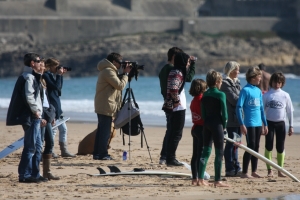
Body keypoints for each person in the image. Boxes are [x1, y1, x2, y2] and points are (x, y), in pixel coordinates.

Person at [6, 53, 48, 183]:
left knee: (38, 145)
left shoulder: (34, 77)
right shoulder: (28, 77)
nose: (41, 63)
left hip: (36, 116)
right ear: (32, 63)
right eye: (38, 61)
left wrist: (40, 113)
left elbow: (39, 98)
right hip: (31, 116)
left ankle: (35, 173)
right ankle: (24, 174)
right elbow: (29, 96)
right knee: (30, 147)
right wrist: (36, 111)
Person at [158, 47, 195, 165]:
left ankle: (168, 157)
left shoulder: (176, 71)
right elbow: (173, 88)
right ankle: (170, 158)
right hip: (177, 107)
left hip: (175, 106)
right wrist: (176, 101)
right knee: (176, 133)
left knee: (173, 132)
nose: (188, 63)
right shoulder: (177, 72)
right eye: (188, 61)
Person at [93, 52, 131, 160]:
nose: (121, 65)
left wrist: (124, 73)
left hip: (104, 104)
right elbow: (119, 86)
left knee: (101, 130)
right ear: (114, 62)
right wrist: (126, 74)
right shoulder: (109, 71)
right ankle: (103, 154)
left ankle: (97, 153)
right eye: (120, 63)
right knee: (105, 131)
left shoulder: (108, 70)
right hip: (106, 105)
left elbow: (116, 84)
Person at [198, 70, 229, 187]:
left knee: (205, 151)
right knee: (219, 152)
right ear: (217, 82)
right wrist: (224, 127)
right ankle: (217, 180)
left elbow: (203, 114)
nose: (221, 84)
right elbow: (225, 115)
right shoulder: (221, 94)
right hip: (217, 125)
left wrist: (206, 122)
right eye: (221, 82)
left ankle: (200, 179)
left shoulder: (205, 94)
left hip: (206, 124)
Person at [236, 66, 268, 179]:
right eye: (259, 76)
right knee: (250, 146)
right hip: (248, 123)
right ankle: (245, 172)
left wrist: (265, 124)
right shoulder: (245, 90)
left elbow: (261, 109)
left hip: (258, 123)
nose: (260, 79)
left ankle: (254, 171)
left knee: (256, 147)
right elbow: (238, 107)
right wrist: (241, 124)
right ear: (253, 77)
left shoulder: (258, 91)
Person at [263, 72, 294, 177]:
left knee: (280, 147)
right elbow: (262, 111)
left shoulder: (285, 95)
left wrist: (291, 126)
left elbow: (290, 111)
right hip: (269, 123)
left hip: (281, 123)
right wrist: (263, 125)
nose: (277, 84)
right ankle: (269, 170)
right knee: (269, 146)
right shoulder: (267, 95)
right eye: (275, 81)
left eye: (280, 82)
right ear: (271, 81)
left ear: (282, 83)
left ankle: (280, 170)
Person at [43, 58, 75, 158]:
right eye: (56, 66)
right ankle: (50, 150)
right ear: (50, 66)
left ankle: (64, 151)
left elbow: (59, 90)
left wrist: (60, 76)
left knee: (63, 129)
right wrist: (58, 75)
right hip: (52, 106)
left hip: (57, 106)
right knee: (53, 130)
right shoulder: (46, 75)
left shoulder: (52, 75)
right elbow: (55, 87)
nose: (57, 68)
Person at [220, 61, 242, 177]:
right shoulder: (225, 83)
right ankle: (229, 168)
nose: (238, 72)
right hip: (231, 120)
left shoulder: (237, 82)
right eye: (237, 69)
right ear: (231, 70)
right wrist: (244, 97)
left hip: (238, 119)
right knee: (230, 144)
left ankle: (236, 167)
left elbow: (240, 98)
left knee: (237, 143)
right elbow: (234, 100)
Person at [39, 59, 60, 180]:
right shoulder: (34, 79)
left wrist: (51, 115)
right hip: (40, 115)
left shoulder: (43, 79)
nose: (44, 67)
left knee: (50, 142)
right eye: (42, 65)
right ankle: (36, 172)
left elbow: (47, 99)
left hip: (47, 114)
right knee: (39, 144)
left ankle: (47, 172)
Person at [189, 78, 207, 185]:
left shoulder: (193, 101)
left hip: (195, 128)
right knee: (201, 155)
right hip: (201, 129)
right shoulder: (202, 100)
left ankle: (194, 178)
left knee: (195, 155)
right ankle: (200, 179)